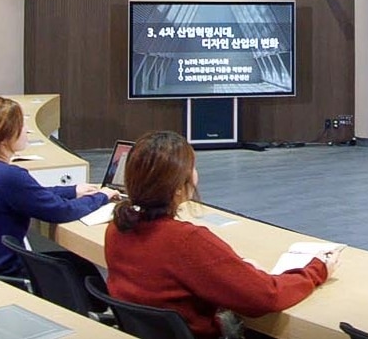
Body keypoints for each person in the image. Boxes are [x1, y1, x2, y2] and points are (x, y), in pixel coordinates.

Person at [105, 131, 340, 339]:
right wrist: (317, 269)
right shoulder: (187, 241)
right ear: (178, 186)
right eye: (193, 168)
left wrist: (235, 271)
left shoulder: (116, 229)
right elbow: (266, 298)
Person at [0, 96, 120, 276]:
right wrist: (101, 197)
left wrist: (72, 190)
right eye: (22, 126)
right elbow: (61, 211)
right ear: (4, 137)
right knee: (85, 271)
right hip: (2, 270)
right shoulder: (7, 175)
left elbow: (29, 194)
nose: (27, 130)